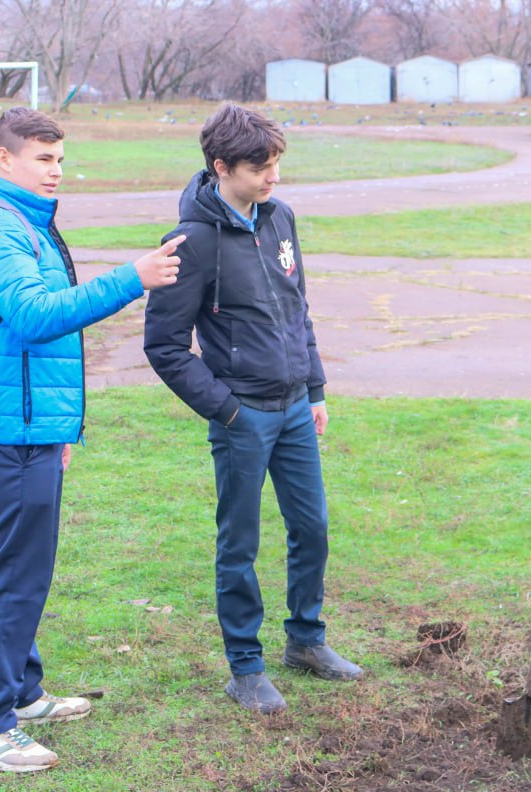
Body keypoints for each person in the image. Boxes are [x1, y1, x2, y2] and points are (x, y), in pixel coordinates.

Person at [0, 106, 185, 772]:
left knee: (26, 567)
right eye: (43, 158)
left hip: (29, 426)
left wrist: (60, 430)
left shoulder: (27, 225)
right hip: (6, 429)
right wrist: (129, 279)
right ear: (5, 161)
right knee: (15, 575)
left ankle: (20, 693)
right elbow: (35, 316)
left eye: (60, 158)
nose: (57, 170)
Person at [143, 103, 361, 714]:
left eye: (276, 164)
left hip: (294, 408)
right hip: (243, 415)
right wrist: (228, 409)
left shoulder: (281, 218)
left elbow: (297, 309)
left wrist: (313, 389)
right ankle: (245, 666)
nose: (272, 177)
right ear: (221, 167)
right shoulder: (191, 243)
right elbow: (163, 346)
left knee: (311, 528)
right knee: (239, 543)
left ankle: (307, 642)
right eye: (260, 167)